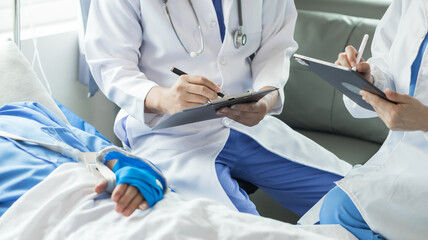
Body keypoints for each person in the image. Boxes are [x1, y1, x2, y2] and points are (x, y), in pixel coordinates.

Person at [85, 0, 351, 217]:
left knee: (358, 199)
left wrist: (265, 99)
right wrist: (163, 98)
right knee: (241, 230)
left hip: (245, 122)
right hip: (169, 134)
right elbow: (110, 63)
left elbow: (276, 46)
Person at [318, 0, 428, 239]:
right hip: (400, 160)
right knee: (324, 224)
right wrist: (370, 79)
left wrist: (426, 120)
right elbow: (388, 61)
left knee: (340, 211)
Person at [0, 101, 166, 218]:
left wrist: (136, 176)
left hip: (126, 203)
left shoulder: (25, 112)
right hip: (50, 221)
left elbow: (106, 154)